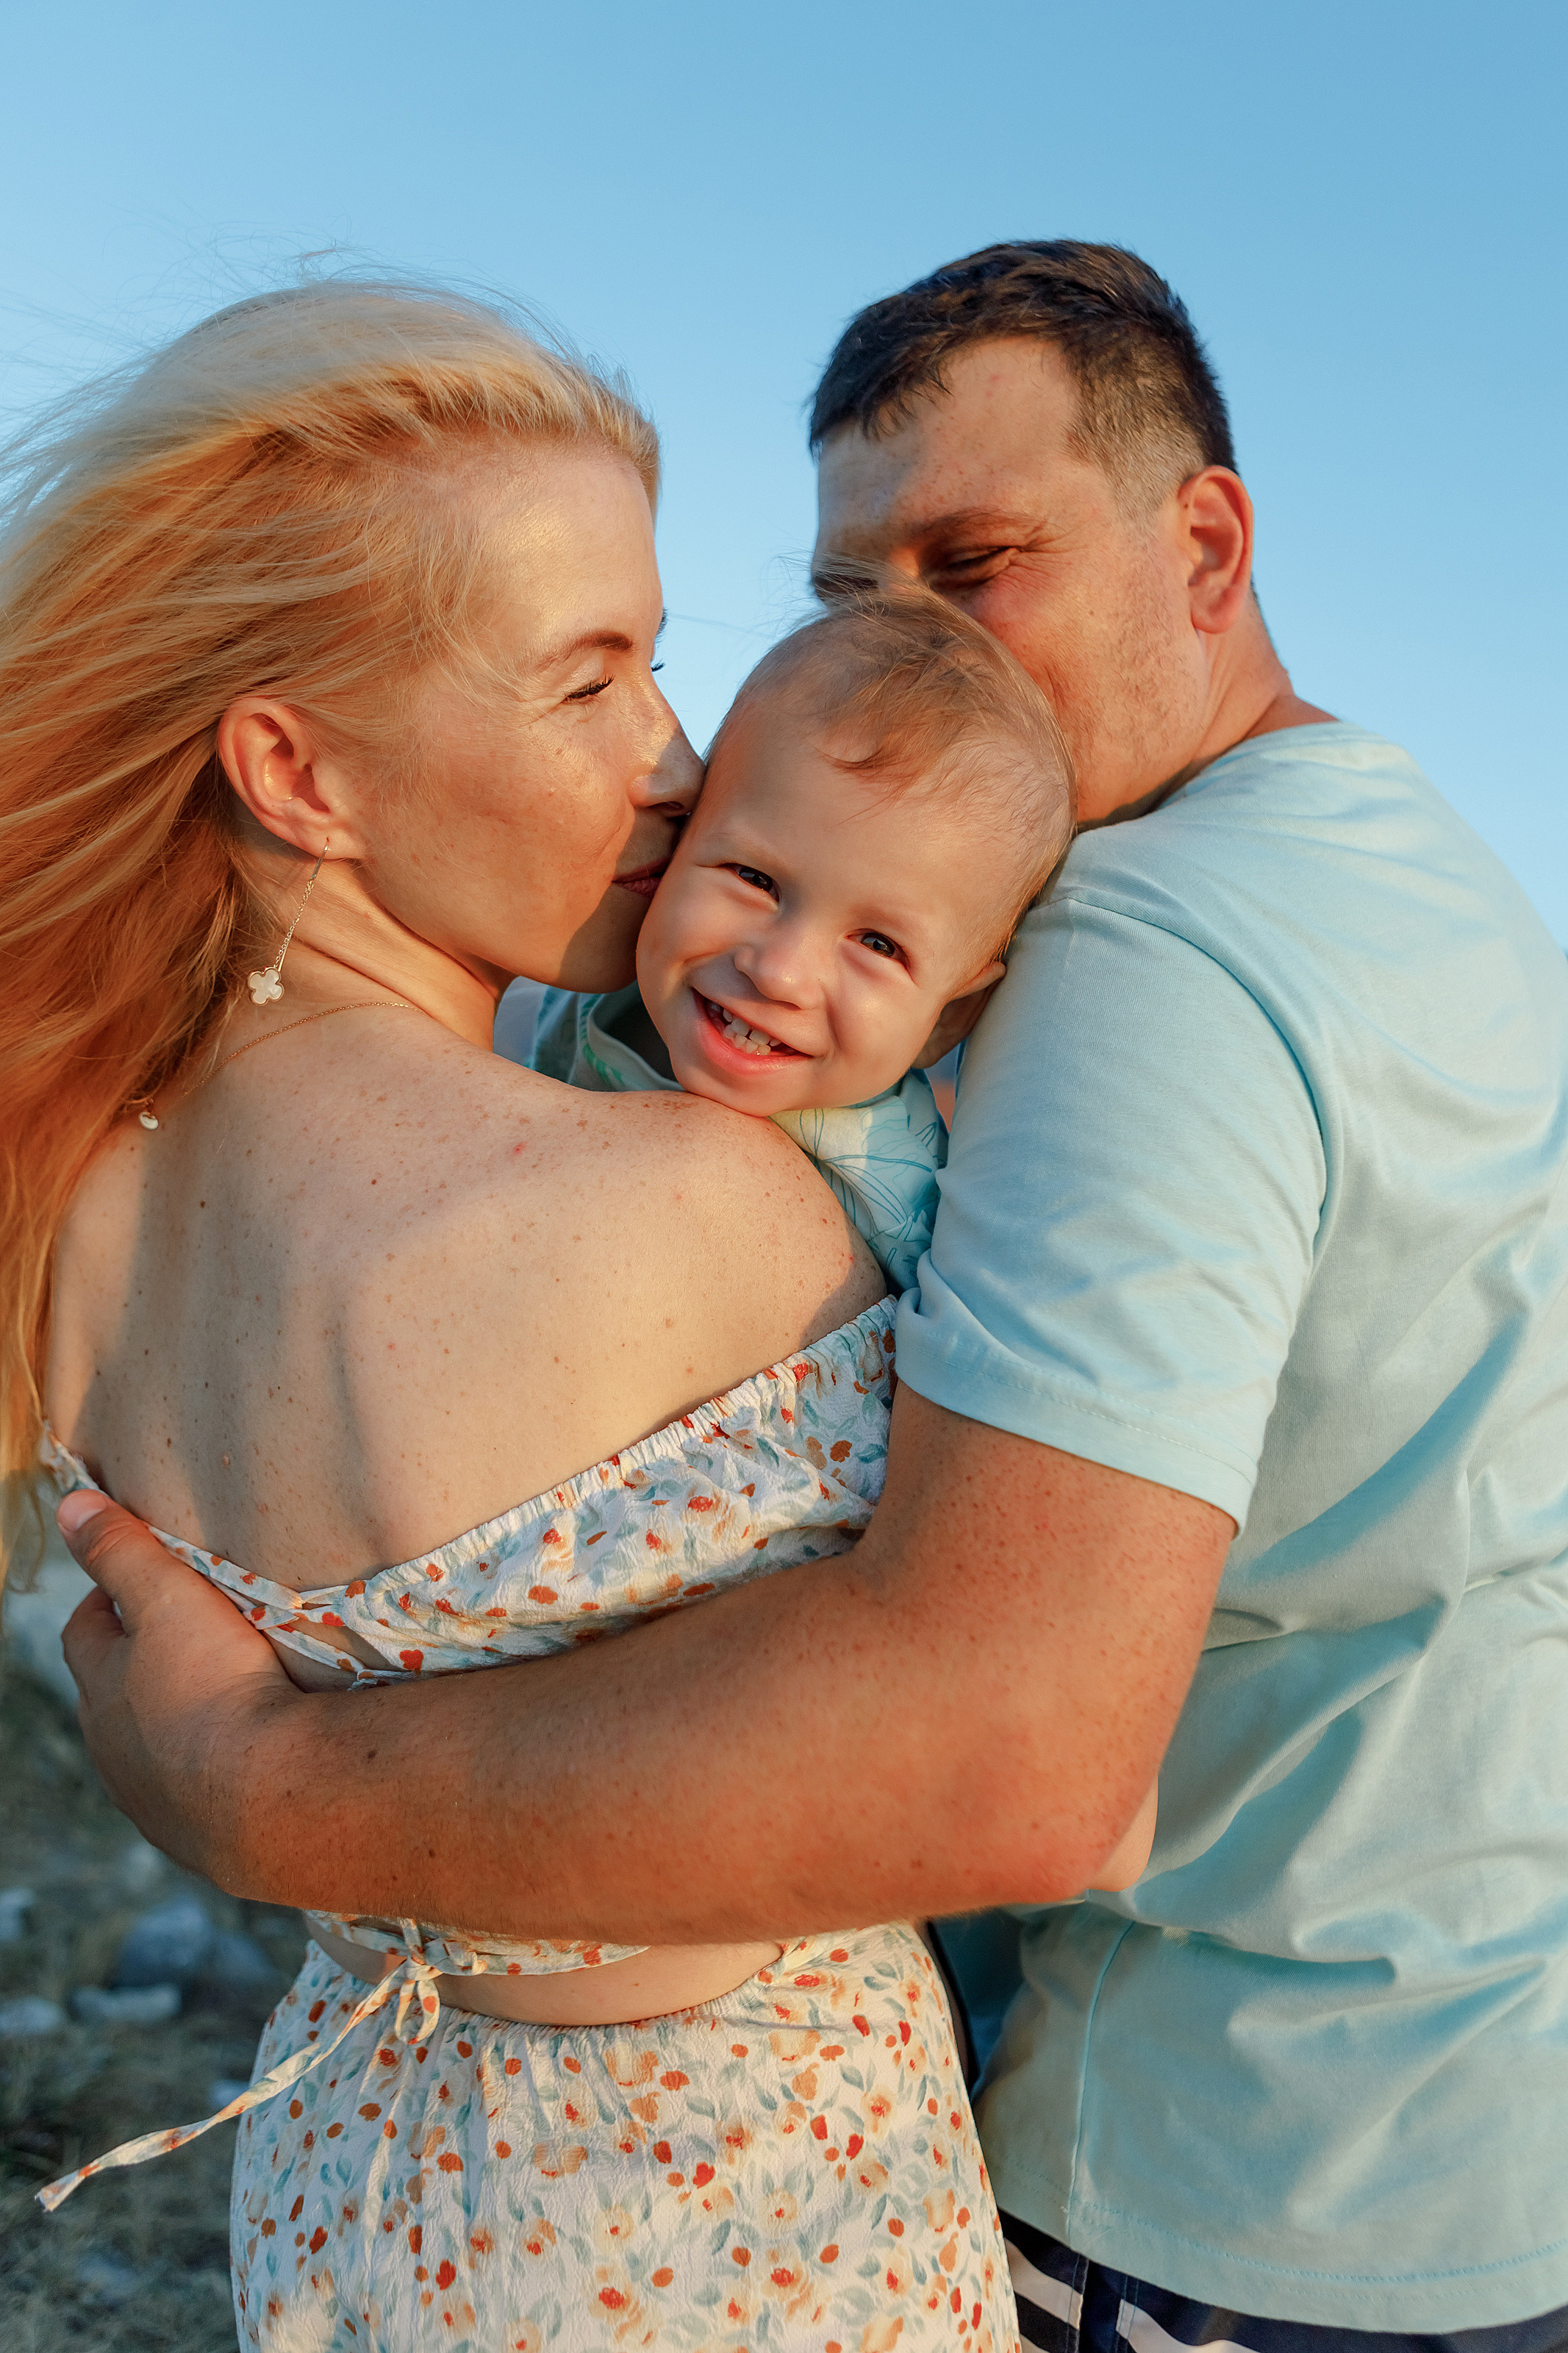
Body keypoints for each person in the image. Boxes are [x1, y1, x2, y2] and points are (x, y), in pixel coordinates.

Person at [53, 242, 1568, 2346]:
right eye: (852, 598)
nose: (902, 665)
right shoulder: (1408, 867)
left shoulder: (1141, 958)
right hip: (1435, 2085)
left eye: (976, 563)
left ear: (1200, 542)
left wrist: (251, 1793)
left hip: (1225, 2156)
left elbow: (1020, 1752)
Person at [3, 281, 1030, 2349]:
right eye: (589, 682)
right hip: (747, 2220)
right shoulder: (698, 1214)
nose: (674, 758)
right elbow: (1010, 1745)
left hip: (359, 2185)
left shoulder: (68, 1217)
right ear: (295, 768)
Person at [538, 582, 1075, 1291]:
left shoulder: (901, 1208)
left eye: (878, 945)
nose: (779, 972)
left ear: (946, 1016)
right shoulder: (584, 996)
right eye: (753, 879)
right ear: (677, 846)